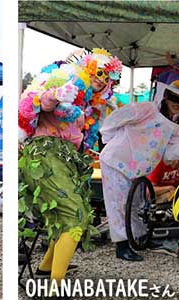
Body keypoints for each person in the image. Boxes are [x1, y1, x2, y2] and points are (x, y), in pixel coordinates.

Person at [18, 48, 121, 287]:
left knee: (68, 216)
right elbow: (38, 102)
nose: (101, 81)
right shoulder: (65, 80)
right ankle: (54, 287)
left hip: (67, 159)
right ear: (89, 68)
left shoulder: (89, 103)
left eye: (108, 79)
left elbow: (83, 133)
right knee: (75, 217)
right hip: (45, 155)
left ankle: (46, 269)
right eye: (99, 73)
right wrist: (56, 94)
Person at [99, 79, 179, 262]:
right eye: (175, 98)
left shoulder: (174, 125)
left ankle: (139, 238)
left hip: (138, 169)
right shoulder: (145, 109)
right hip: (117, 160)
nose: (177, 104)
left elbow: (173, 152)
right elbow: (115, 119)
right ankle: (122, 246)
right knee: (118, 204)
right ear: (166, 96)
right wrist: (110, 138)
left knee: (138, 204)